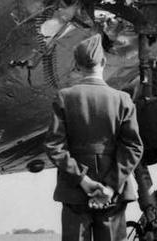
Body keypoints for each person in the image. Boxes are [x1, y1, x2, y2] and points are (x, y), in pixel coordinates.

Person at [44, 33, 144, 241]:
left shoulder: (65, 98)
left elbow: (54, 146)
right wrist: (110, 186)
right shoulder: (123, 100)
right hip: (113, 195)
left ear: (77, 66)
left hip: (74, 192)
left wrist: (82, 179)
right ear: (104, 62)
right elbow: (134, 147)